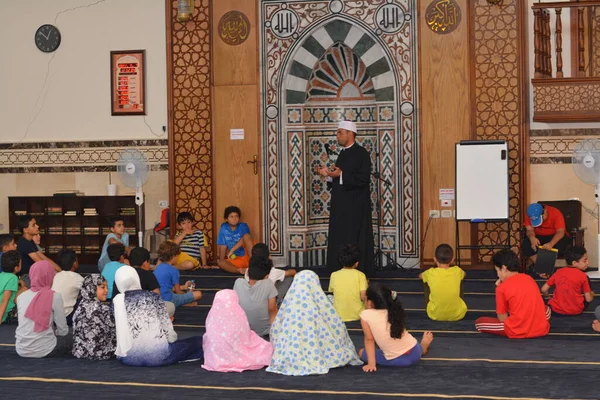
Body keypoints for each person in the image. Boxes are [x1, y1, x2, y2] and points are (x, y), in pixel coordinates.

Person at [267, 270, 363, 376]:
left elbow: (276, 329)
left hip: (288, 352)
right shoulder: (320, 305)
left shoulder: (288, 306)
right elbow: (337, 327)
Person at [113, 266, 204, 367]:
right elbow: (168, 331)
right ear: (136, 278)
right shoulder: (152, 297)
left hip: (128, 358)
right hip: (159, 357)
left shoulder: (117, 302)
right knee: (198, 341)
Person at [317, 120, 374, 277]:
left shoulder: (361, 153)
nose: (337, 135)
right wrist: (328, 175)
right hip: (340, 205)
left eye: (340, 132)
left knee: (352, 236)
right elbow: (339, 176)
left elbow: (363, 179)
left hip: (355, 206)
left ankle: (357, 270)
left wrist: (340, 174)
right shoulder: (343, 153)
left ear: (350, 134)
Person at [475, 249, 551, 338]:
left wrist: (499, 288)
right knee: (546, 309)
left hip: (517, 330)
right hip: (540, 328)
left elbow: (502, 319)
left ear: (503, 268)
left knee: (479, 322)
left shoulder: (501, 288)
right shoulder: (529, 278)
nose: (497, 275)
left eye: (497, 271)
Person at [359, 283, 434, 371]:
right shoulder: (393, 310)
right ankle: (423, 346)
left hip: (398, 361)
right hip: (415, 352)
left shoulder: (365, 315)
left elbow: (369, 339)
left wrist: (371, 364)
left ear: (369, 302)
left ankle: (423, 346)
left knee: (361, 352)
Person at [202, 289, 273, 372]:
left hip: (215, 358)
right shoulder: (238, 313)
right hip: (236, 347)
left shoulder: (212, 315)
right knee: (262, 346)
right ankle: (237, 359)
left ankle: (222, 360)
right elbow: (244, 334)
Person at [15, 260, 70, 358]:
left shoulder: (21, 297)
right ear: (49, 277)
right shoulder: (54, 296)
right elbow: (63, 329)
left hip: (21, 349)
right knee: (72, 337)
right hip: (46, 350)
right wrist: (56, 333)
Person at [72, 274, 116, 360]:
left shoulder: (80, 306)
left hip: (80, 353)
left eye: (106, 287)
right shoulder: (103, 309)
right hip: (101, 354)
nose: (106, 291)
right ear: (92, 288)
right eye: (103, 287)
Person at [419, 244, 467, 321]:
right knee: (459, 279)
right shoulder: (457, 271)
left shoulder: (430, 272)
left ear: (435, 259)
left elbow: (420, 276)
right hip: (458, 314)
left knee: (426, 280)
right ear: (452, 259)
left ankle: (433, 305)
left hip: (434, 314)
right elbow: (464, 274)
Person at [541, 246, 594, 315]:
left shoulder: (558, 272)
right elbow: (588, 299)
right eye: (585, 260)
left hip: (557, 309)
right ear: (574, 262)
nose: (587, 263)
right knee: (589, 294)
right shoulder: (583, 276)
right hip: (576, 310)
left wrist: (547, 297)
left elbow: (543, 289)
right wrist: (592, 294)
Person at [234, 255, 278, 337]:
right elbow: (272, 310)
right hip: (265, 333)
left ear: (247, 272)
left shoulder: (238, 283)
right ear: (267, 276)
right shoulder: (268, 284)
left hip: (243, 331)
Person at [153, 241, 202, 308]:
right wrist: (187, 294)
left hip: (156, 300)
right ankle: (182, 303)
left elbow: (164, 286)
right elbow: (178, 291)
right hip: (168, 300)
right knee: (198, 294)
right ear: (173, 257)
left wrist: (184, 287)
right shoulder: (173, 270)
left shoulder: (157, 268)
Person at [328, 244, 368, 322]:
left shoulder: (334, 275)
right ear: (356, 263)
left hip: (338, 315)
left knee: (329, 297)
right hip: (358, 315)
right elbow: (363, 297)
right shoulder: (361, 275)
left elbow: (332, 291)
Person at [217, 206, 253, 274]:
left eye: (236, 216)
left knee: (246, 236)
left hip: (249, 257)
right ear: (226, 219)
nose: (234, 219)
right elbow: (223, 245)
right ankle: (242, 271)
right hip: (236, 259)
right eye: (231, 216)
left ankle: (253, 267)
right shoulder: (224, 227)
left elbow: (245, 238)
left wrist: (232, 250)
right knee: (220, 262)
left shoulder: (243, 226)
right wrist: (222, 261)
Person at [51, 249, 84, 325]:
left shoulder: (55, 276)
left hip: (52, 316)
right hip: (66, 316)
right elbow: (90, 289)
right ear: (75, 263)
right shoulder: (77, 278)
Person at [0, 251, 26, 324]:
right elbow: (5, 299)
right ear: (16, 268)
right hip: (7, 314)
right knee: (25, 290)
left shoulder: (1, 275)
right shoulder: (13, 278)